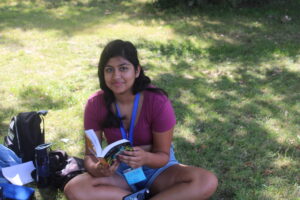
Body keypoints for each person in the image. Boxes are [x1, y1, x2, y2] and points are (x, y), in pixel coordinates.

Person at [64, 39, 218, 200]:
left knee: (206, 181)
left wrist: (146, 158)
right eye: (109, 70)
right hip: (119, 172)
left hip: (158, 169)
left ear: (137, 71)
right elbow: (90, 155)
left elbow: (163, 155)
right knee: (75, 189)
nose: (116, 76)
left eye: (123, 68)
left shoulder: (157, 101)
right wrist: (97, 169)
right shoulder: (95, 103)